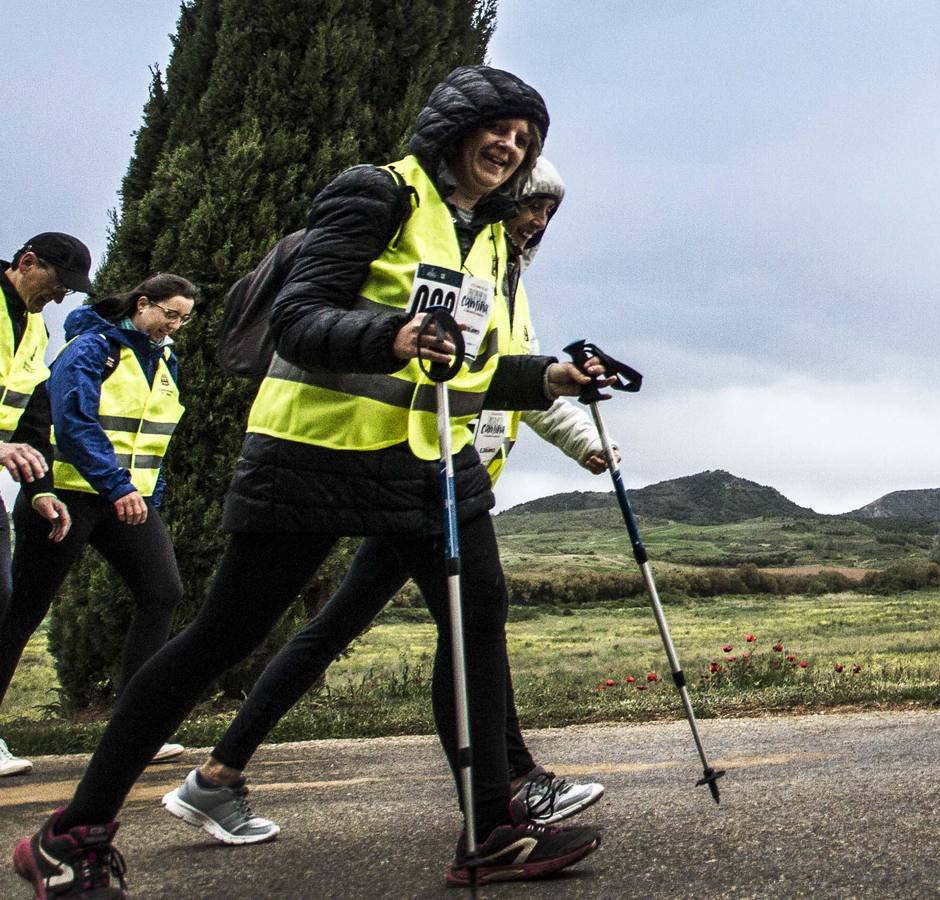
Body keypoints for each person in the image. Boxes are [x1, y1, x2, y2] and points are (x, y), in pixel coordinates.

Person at [14, 65, 607, 897]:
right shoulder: (376, 194)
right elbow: (300, 317)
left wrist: (550, 379)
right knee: (220, 638)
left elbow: (462, 367)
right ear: (451, 130)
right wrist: (391, 335)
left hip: (429, 462)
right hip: (313, 458)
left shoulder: (477, 233)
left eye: (526, 137)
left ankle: (493, 829)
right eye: (498, 128)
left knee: (478, 627)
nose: (510, 145)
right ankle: (69, 837)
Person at [160, 157, 613, 846]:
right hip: (404, 472)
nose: (537, 218)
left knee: (413, 626)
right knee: (458, 626)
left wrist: (582, 437)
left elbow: (510, 371)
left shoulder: (504, 276)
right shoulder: (459, 253)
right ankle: (510, 790)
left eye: (549, 210)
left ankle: (219, 776)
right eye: (530, 203)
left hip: (438, 475)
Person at [0, 275, 201, 772]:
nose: (174, 326)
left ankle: (135, 731)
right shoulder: (91, 348)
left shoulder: (164, 360)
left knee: (162, 592)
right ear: (141, 304)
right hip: (66, 496)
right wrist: (118, 486)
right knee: (23, 611)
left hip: (125, 500)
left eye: (183, 319)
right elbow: (73, 422)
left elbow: (150, 439)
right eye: (168, 314)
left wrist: (146, 495)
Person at [0, 233, 95, 778]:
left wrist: (40, 489)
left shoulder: (34, 326)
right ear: (26, 262)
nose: (58, 299)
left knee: (1, 595)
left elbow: (33, 413)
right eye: (57, 285)